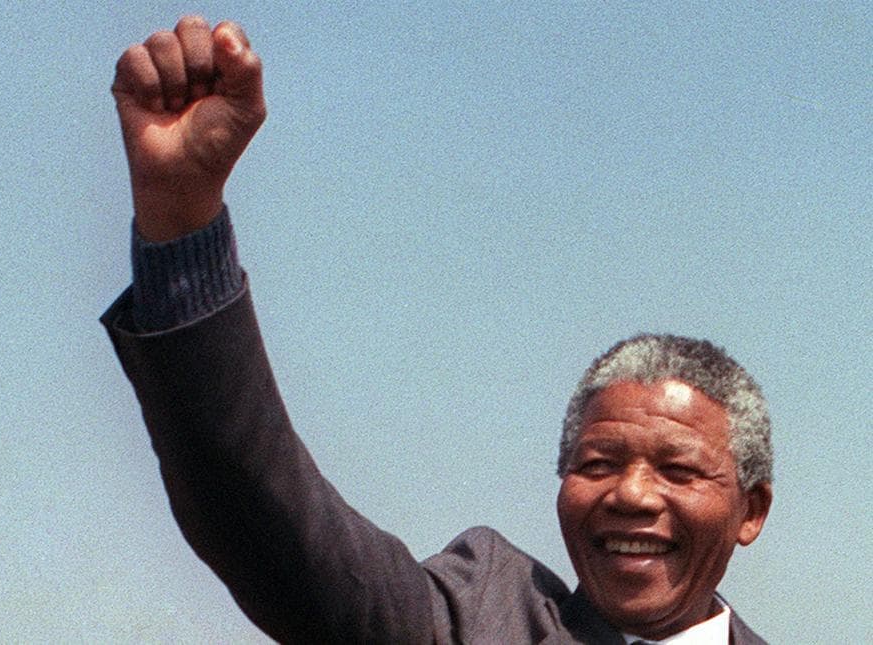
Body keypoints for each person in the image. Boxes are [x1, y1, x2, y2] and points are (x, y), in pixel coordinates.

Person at [102, 15, 774, 644]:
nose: (630, 494)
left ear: (751, 509)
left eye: (678, 469)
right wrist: (181, 218)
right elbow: (266, 518)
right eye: (597, 463)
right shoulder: (477, 616)